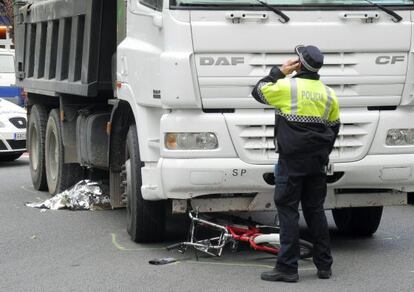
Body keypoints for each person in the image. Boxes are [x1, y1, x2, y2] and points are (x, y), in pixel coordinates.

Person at [251, 45, 340, 283]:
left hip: (291, 162)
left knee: (288, 211)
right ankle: (324, 266)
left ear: (298, 65)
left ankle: (287, 268)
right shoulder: (329, 94)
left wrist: (279, 71)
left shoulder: (286, 87)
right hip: (316, 163)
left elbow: (257, 91)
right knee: (315, 211)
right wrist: (321, 155)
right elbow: (334, 128)